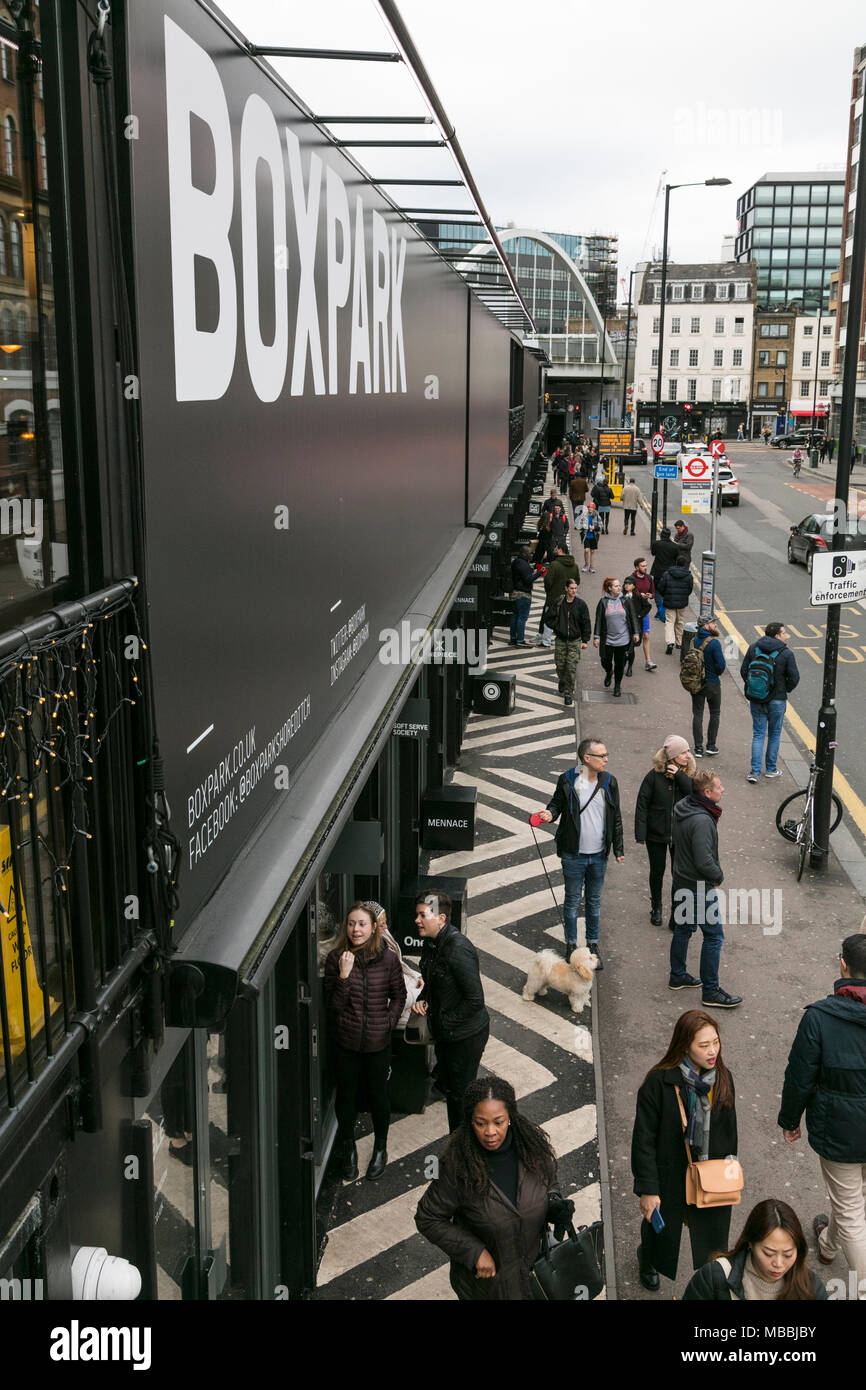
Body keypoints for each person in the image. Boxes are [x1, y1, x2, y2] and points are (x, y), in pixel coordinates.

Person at [415, 1075, 573, 1300]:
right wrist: (475, 1252)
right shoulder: (456, 1166)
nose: (490, 1132)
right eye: (481, 1123)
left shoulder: (534, 1150)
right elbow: (428, 1217)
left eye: (498, 1122)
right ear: (470, 1121)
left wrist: (554, 1203)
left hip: (536, 1280)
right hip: (487, 1289)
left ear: (511, 1118)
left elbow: (550, 1184)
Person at [778, 931, 866, 1299]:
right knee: (854, 1199)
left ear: (843, 964)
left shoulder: (820, 1018)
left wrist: (789, 1119)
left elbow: (800, 1074)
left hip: (840, 1132)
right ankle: (828, 1245)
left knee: (850, 1210)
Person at [631, 1010, 738, 1292]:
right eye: (704, 1045)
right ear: (684, 1046)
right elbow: (643, 1139)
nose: (713, 1051)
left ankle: (711, 1280)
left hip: (711, 1171)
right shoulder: (658, 1083)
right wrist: (648, 1189)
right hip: (669, 1172)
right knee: (661, 1228)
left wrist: (730, 1169)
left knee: (713, 1236)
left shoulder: (723, 1078)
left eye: (715, 1042)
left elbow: (729, 1131)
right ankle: (649, 1259)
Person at [324, 903, 407, 1181]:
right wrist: (344, 976)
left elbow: (399, 995)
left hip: (377, 1043)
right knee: (346, 1096)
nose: (355, 930)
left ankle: (380, 1148)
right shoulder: (337, 958)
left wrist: (387, 1023)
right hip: (345, 1042)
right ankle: (348, 1147)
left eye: (361, 924)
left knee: (378, 1096)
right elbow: (333, 1007)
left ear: (373, 928)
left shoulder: (388, 959)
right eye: (351, 924)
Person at [533, 736, 624, 968]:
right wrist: (549, 815)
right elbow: (556, 804)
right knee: (573, 900)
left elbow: (616, 817)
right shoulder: (567, 780)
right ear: (586, 758)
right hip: (573, 854)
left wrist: (618, 848)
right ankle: (572, 945)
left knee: (594, 901)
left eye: (606, 755)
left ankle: (592, 945)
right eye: (601, 755)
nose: (606, 759)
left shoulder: (609, 781)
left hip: (599, 855)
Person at [412, 892, 489, 1134]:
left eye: (423, 915)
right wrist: (424, 999)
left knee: (460, 1099)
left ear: (441, 918)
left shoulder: (458, 949)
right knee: (452, 1089)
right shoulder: (431, 942)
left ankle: (463, 1149)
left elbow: (475, 1000)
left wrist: (444, 1021)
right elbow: (432, 980)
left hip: (465, 1037)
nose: (416, 920)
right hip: (446, 1034)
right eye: (417, 914)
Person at [668, 768, 741, 1008]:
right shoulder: (701, 819)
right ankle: (711, 991)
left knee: (684, 928)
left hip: (682, 879)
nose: (723, 790)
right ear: (707, 792)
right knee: (714, 936)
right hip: (698, 885)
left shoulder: (684, 806)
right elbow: (704, 860)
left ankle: (677, 975)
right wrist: (718, 875)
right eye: (719, 787)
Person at [682, 1199, 827, 1300]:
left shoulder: (811, 1287)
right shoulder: (714, 1277)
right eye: (768, 1253)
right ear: (750, 1243)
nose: (778, 1263)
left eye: (788, 1255)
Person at [634, 736, 696, 926]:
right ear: (672, 756)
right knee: (657, 872)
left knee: (679, 875)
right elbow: (642, 805)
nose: (688, 755)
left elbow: (694, 796)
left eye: (687, 751)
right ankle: (657, 908)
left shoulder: (690, 775)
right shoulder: (653, 776)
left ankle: (676, 913)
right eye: (683, 752)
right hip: (656, 834)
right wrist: (641, 833)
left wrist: (680, 776)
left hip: (681, 835)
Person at [740, 621, 800, 783]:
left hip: (757, 698)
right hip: (777, 700)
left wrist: (756, 688)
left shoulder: (753, 648)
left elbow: (744, 671)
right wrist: (783, 689)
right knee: (774, 734)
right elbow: (794, 678)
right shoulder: (786, 653)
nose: (786, 636)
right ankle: (771, 769)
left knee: (758, 734)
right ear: (776, 636)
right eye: (784, 633)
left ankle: (754, 772)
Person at [593, 577, 641, 697]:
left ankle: (617, 685)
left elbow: (633, 617)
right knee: (605, 661)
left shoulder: (626, 600)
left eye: (619, 586)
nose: (619, 588)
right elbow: (598, 620)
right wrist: (596, 636)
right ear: (609, 588)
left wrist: (635, 633)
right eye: (616, 586)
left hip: (623, 638)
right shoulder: (603, 602)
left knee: (620, 664)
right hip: (607, 639)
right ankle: (609, 672)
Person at [686, 618, 725, 757]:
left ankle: (698, 748)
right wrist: (715, 673)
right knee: (714, 713)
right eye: (714, 623)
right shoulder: (714, 643)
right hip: (712, 683)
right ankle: (711, 745)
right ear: (707, 625)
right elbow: (721, 665)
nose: (716, 625)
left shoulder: (693, 640)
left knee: (698, 714)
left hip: (696, 682)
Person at [550, 576, 590, 706]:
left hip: (575, 640)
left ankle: (568, 693)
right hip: (561, 640)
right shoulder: (558, 602)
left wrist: (585, 640)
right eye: (571, 588)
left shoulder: (581, 604)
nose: (574, 591)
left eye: (575, 588)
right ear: (566, 588)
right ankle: (562, 680)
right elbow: (548, 617)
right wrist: (556, 627)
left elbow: (586, 623)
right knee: (560, 666)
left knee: (571, 667)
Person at [623, 556, 658, 672]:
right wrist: (638, 595)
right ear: (636, 567)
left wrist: (649, 596)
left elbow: (653, 593)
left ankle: (648, 661)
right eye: (643, 566)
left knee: (646, 636)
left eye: (646, 565)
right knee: (630, 637)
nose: (645, 568)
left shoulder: (649, 578)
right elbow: (626, 591)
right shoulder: (631, 578)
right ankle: (626, 658)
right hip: (632, 611)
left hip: (643, 610)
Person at [656, 553, 694, 655]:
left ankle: (670, 642)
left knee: (669, 622)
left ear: (676, 562)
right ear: (685, 564)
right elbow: (690, 589)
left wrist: (665, 595)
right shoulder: (688, 576)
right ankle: (679, 642)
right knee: (680, 621)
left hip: (669, 601)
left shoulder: (667, 574)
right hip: (682, 602)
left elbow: (660, 587)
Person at [509, 545, 538, 646]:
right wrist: (539, 573)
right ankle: (520, 640)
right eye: (530, 553)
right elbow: (528, 580)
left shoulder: (516, 562)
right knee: (522, 618)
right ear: (524, 554)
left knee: (515, 616)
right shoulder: (523, 565)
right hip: (523, 595)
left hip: (514, 593)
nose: (532, 554)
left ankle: (513, 638)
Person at [650, 527, 678, 624]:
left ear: (661, 535)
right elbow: (676, 558)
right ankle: (662, 612)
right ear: (669, 535)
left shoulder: (656, 544)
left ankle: (660, 611)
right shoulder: (674, 546)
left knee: (657, 591)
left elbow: (653, 553)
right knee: (667, 591)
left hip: (657, 571)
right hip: (669, 572)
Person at [620, 577, 641, 678]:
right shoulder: (621, 596)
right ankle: (622, 664)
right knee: (623, 647)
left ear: (634, 586)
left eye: (629, 583)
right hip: (624, 626)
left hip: (634, 627)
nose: (626, 585)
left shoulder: (637, 596)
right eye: (625, 583)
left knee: (631, 649)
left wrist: (639, 615)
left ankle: (630, 667)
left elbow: (647, 606)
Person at [582, 501, 601, 573]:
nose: (590, 509)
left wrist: (594, 527)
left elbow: (601, 526)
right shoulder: (584, 515)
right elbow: (580, 525)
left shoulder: (597, 516)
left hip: (594, 536)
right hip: (586, 536)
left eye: (591, 508)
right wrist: (585, 527)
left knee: (592, 551)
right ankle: (586, 564)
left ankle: (591, 566)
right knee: (586, 550)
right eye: (589, 508)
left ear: (594, 509)